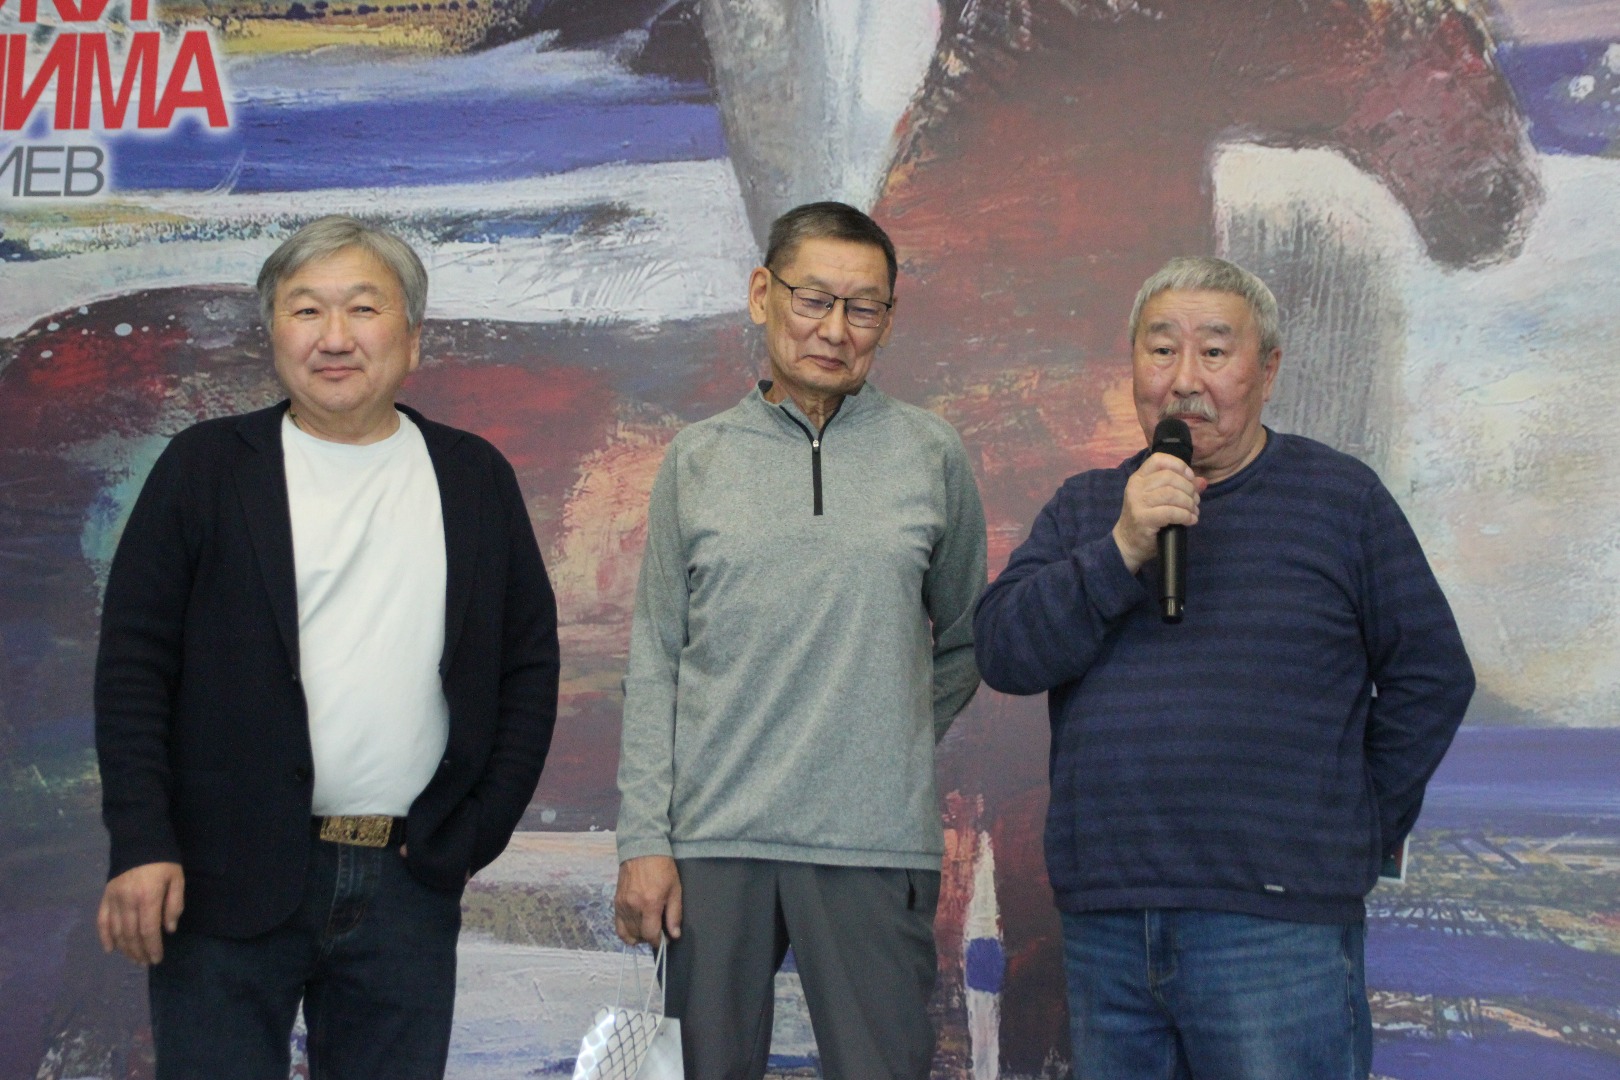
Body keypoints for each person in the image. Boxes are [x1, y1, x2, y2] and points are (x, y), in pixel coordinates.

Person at [973, 256, 1474, 1079]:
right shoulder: (1087, 508)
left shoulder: (1341, 501)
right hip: (1109, 923)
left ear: (1266, 370)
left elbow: (1433, 674)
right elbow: (1004, 652)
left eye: (1213, 351)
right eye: (1161, 350)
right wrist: (1121, 550)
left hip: (1277, 930)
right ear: (1133, 367)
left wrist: (1356, 827)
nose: (1185, 380)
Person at [94, 216, 561, 1079]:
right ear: (273, 333)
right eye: (306, 310)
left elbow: (528, 665)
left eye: (363, 309)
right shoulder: (206, 468)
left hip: (406, 883)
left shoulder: (472, 477)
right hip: (222, 879)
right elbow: (133, 669)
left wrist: (473, 831)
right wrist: (141, 841)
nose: (334, 337)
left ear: (413, 337)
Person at [612, 201, 988, 1078]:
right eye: (813, 299)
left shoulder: (929, 453)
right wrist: (643, 840)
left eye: (863, 308)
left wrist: (885, 733)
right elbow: (656, 658)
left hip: (871, 842)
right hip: (710, 845)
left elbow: (971, 639)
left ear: (887, 320)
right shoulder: (697, 460)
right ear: (762, 295)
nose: (834, 329)